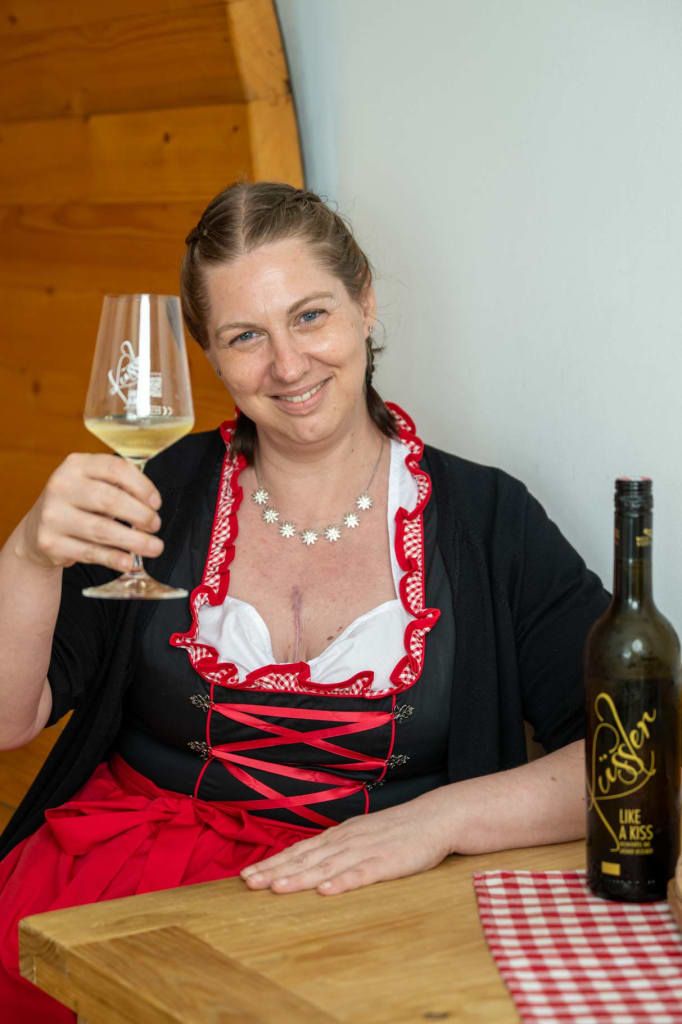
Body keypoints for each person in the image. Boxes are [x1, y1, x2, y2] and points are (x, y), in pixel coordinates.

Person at [0, 181, 609, 1021]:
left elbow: (642, 750)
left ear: (365, 303)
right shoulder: (159, 491)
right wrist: (27, 555)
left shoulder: (487, 518)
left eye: (310, 316)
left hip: (369, 903)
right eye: (245, 336)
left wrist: (441, 820)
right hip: (118, 889)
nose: (287, 366)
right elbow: (10, 720)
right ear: (210, 354)